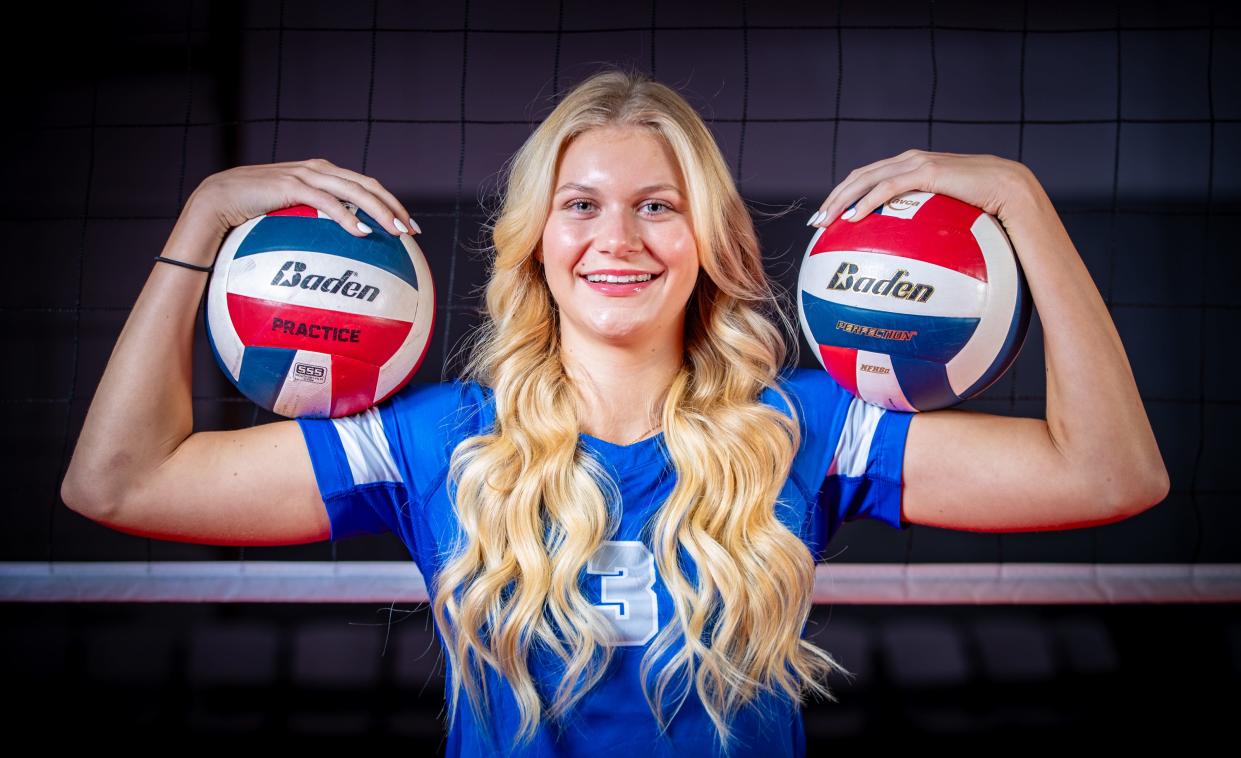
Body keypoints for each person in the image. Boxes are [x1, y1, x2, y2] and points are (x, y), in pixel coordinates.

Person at [61, 67, 1169, 755]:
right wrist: (205, 221)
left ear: (709, 240)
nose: (619, 239)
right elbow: (116, 482)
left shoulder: (804, 426)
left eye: (658, 207)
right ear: (538, 238)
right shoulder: (436, 438)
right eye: (581, 205)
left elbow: (1108, 473)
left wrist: (1019, 204)